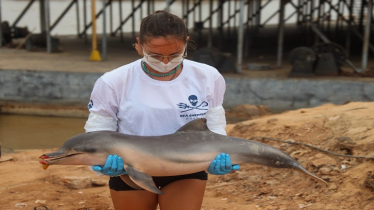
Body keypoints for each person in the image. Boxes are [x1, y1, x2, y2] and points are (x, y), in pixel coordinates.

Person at [84, 10, 240, 210]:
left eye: (175, 55)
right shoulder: (113, 81)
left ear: (186, 43)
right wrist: (101, 164)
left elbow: (214, 124)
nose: (165, 63)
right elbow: (98, 132)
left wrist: (218, 155)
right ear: (139, 45)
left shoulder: (208, 76)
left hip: (187, 166)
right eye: (155, 55)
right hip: (130, 169)